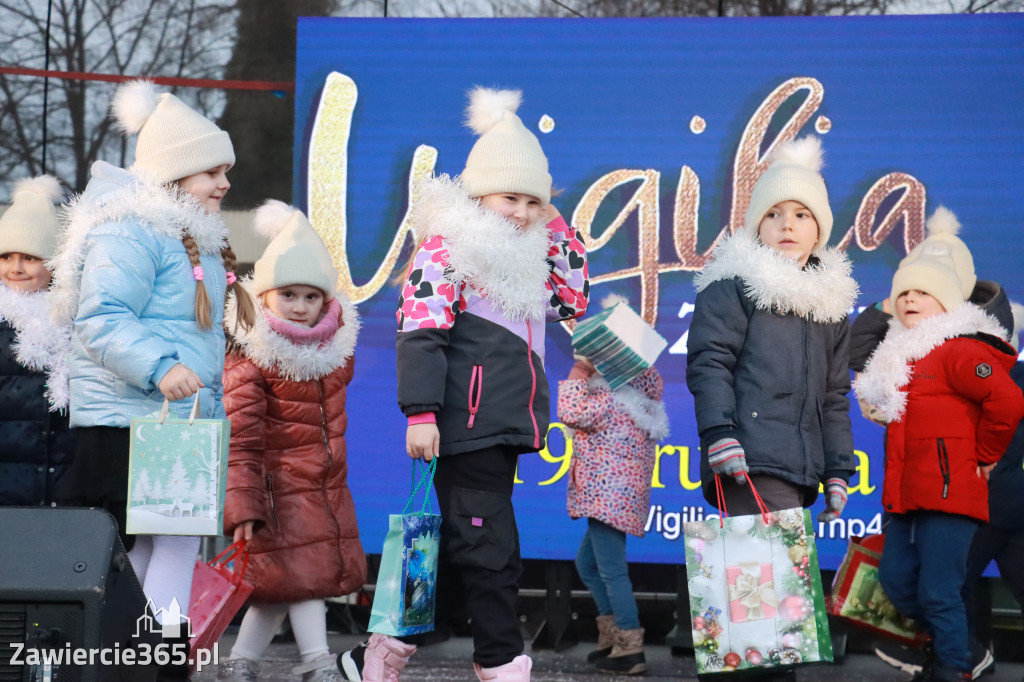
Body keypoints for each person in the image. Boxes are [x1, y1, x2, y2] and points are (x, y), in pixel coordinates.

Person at [340, 87, 589, 682]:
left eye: (534, 200)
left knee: (455, 548)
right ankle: (499, 661)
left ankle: (377, 652)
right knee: (489, 547)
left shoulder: (531, 259)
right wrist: (421, 413)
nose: (523, 212)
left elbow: (573, 296)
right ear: (478, 194)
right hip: (461, 424)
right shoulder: (447, 249)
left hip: (503, 428)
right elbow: (420, 333)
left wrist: (552, 219)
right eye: (511, 197)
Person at [50, 80, 256, 679]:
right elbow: (101, 316)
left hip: (168, 425)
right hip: (130, 421)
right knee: (154, 545)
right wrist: (162, 368)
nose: (223, 184)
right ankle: (146, 660)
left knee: (167, 543)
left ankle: (144, 660)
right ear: (172, 174)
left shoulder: (186, 235)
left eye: (226, 171)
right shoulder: (132, 230)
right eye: (211, 172)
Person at [853, 207, 1024, 682]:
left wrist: (985, 457)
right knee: (895, 583)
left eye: (922, 292)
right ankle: (964, 650)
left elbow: (1008, 402)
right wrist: (891, 303)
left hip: (952, 497)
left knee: (939, 591)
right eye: (903, 291)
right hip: (905, 495)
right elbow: (853, 353)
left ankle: (953, 668)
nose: (909, 299)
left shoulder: (961, 349)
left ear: (949, 302)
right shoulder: (899, 351)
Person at [217, 201, 364, 682]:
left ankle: (241, 661)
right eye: (288, 294)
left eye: (311, 296)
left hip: (321, 490)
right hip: (276, 492)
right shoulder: (253, 356)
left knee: (282, 584)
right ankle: (318, 662)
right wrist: (241, 503)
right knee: (303, 579)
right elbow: (241, 438)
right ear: (264, 296)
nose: (301, 307)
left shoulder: (332, 354)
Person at [686, 136, 857, 520]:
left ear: (819, 231)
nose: (787, 225)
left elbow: (833, 396)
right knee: (776, 577)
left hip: (799, 467)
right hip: (747, 460)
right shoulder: (735, 285)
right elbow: (710, 362)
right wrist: (719, 433)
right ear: (756, 225)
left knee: (770, 579)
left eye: (802, 214)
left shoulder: (828, 306)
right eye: (773, 214)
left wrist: (837, 470)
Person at [557, 307, 669, 675]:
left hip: (606, 498)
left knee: (611, 570)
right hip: (620, 498)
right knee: (587, 564)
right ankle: (613, 637)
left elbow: (570, 411)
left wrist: (581, 369)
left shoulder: (609, 399)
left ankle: (630, 646)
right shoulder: (641, 396)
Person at [0, 175, 75, 507]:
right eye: (5, 257)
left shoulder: (73, 318)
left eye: (29, 257)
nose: (15, 268)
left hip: (58, 482)